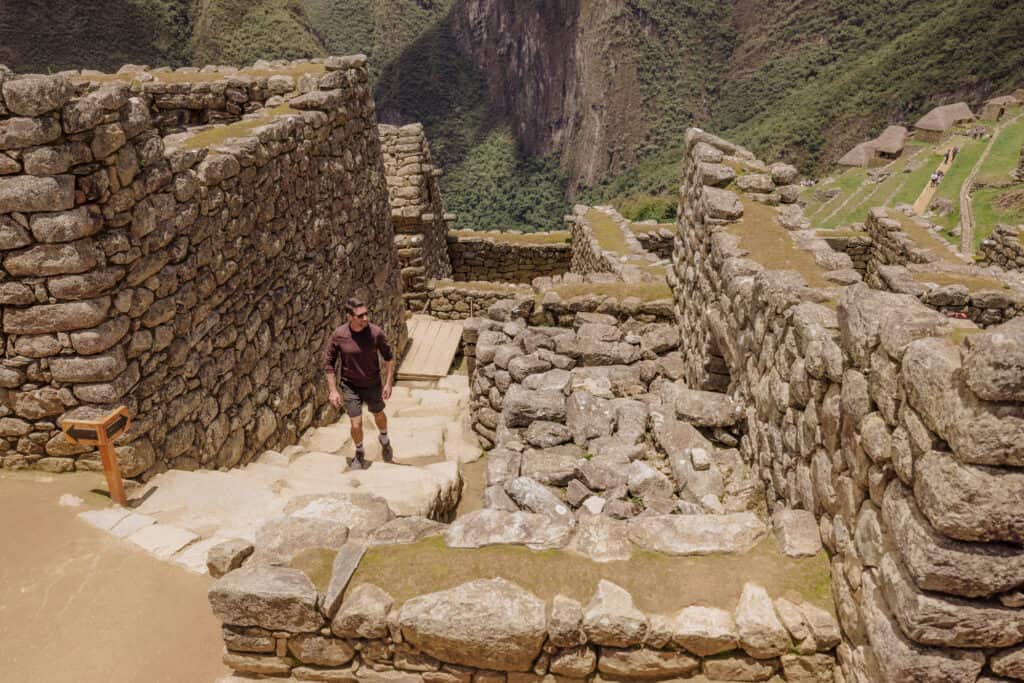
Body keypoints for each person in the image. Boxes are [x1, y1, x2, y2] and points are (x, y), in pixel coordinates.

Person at [323, 297, 395, 469]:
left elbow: (389, 357)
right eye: (360, 316)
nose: (365, 318)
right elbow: (328, 364)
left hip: (372, 383)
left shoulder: (375, 333)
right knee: (356, 423)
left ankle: (384, 438)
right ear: (349, 317)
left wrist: (388, 383)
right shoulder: (339, 335)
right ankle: (359, 452)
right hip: (350, 386)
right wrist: (333, 390)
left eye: (366, 314)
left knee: (378, 415)